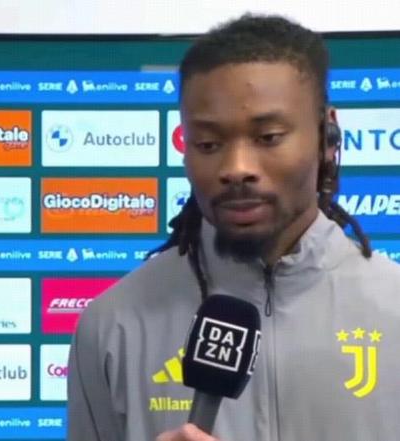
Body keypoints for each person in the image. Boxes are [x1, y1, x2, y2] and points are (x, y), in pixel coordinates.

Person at [66, 13, 400, 441]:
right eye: (208, 144)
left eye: (268, 137)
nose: (237, 168)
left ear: (327, 136)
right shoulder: (113, 325)